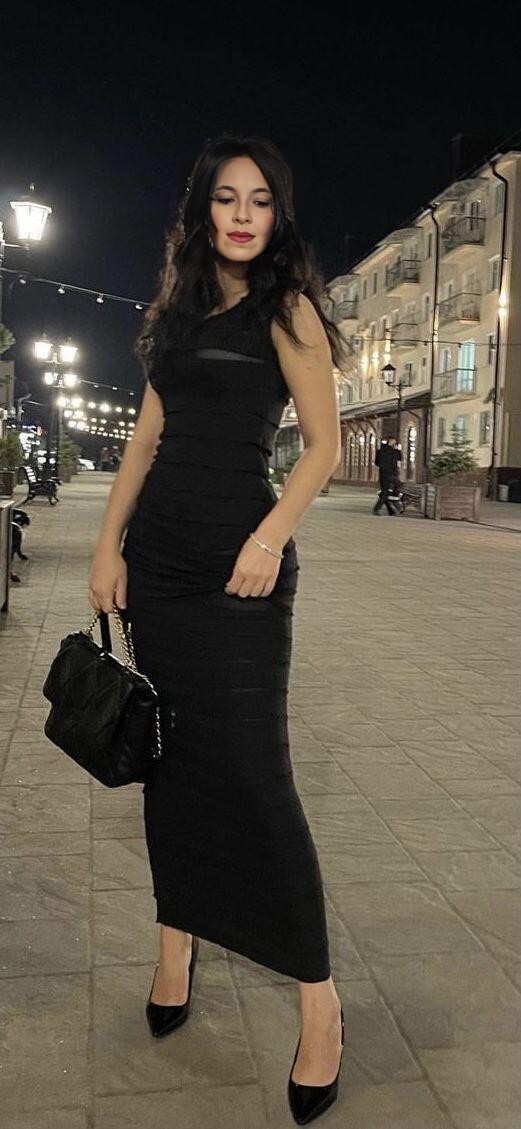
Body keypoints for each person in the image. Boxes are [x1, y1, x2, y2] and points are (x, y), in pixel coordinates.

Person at [88, 134, 346, 1125]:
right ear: (202, 210)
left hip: (241, 570)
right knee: (172, 766)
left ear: (277, 215)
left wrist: (270, 537)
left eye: (260, 200)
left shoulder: (288, 309)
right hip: (157, 563)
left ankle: (319, 1004)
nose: (242, 215)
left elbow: (321, 446)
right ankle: (175, 943)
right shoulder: (177, 313)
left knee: (254, 777)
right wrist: (107, 545)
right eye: (227, 198)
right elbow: (144, 440)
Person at [373, 436, 401, 515]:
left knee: (384, 492)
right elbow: (398, 463)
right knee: (387, 492)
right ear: (392, 442)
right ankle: (377, 509)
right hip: (391, 474)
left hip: (382, 474)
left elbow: (376, 462)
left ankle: (390, 510)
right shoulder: (395, 452)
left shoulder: (380, 450)